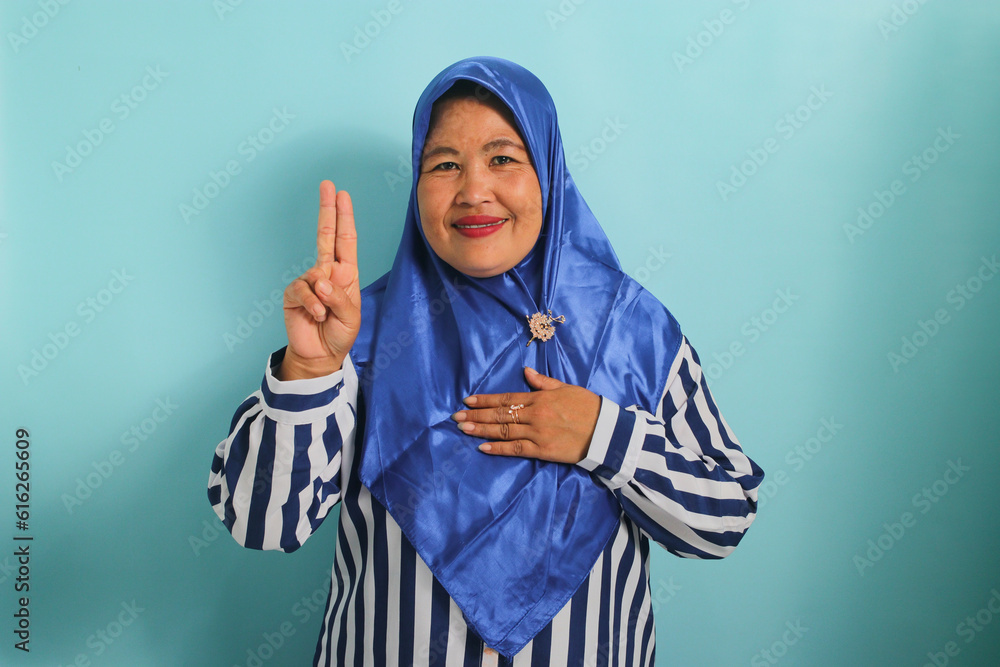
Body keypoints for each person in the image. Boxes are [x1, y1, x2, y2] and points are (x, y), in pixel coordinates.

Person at [208, 56, 764, 667]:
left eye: (503, 158)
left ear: (547, 171)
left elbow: (722, 522)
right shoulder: (358, 333)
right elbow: (260, 523)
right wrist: (311, 371)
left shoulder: (631, 328)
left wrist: (601, 434)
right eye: (444, 164)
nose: (474, 190)